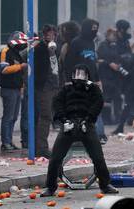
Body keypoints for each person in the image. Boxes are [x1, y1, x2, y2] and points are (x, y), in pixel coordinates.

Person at [41, 64, 118, 196]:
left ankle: (105, 185)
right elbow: (57, 103)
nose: (79, 77)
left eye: (82, 74)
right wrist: (64, 120)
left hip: (86, 124)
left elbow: (98, 103)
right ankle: (50, 187)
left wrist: (88, 119)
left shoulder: (93, 88)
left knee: (98, 157)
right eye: (76, 74)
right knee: (55, 158)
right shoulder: (66, 89)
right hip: (68, 125)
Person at [0, 31, 28, 151]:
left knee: (14, 117)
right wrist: (20, 66)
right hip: (8, 89)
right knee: (8, 117)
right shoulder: (5, 52)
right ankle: (6, 142)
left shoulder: (17, 53)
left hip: (16, 89)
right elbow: (4, 69)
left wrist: (21, 88)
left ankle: (9, 141)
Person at [34, 24, 60, 158]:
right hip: (44, 87)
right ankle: (41, 148)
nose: (51, 36)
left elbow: (57, 66)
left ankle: (44, 146)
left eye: (53, 33)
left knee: (53, 116)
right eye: (48, 33)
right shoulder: (39, 48)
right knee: (45, 116)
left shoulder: (56, 47)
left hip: (55, 85)